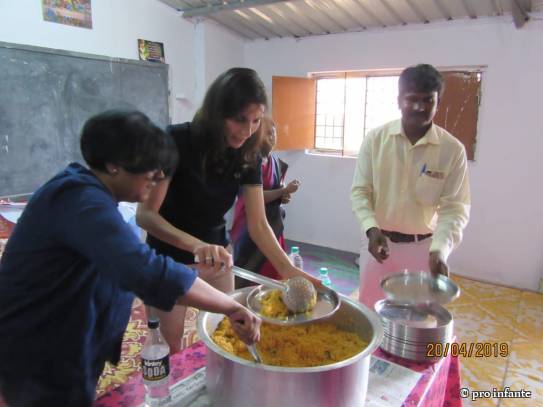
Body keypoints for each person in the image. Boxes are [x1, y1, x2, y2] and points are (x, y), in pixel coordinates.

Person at [0, 110, 260, 407]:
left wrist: (200, 280)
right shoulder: (79, 201)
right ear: (114, 165)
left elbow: (131, 266)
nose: (158, 178)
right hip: (39, 349)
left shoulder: (90, 196)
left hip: (67, 343)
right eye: (150, 169)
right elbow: (144, 270)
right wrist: (230, 306)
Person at [136, 67, 319, 353]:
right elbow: (146, 215)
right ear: (217, 112)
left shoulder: (249, 153)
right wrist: (196, 245)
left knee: (229, 338)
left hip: (218, 261)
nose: (247, 131)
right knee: (168, 346)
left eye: (256, 120)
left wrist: (288, 270)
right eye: (240, 119)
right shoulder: (175, 141)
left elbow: (259, 224)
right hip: (168, 262)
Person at [351, 64, 470, 309]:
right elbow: (361, 192)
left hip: (424, 251)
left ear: (438, 102)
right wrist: (371, 229)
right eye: (411, 99)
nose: (419, 107)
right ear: (398, 100)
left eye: (428, 100)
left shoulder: (452, 150)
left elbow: (455, 208)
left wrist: (440, 250)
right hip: (377, 246)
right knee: (371, 312)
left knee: (420, 318)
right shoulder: (375, 140)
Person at [230, 117, 300, 286]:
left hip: (273, 225)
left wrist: (284, 195)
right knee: (250, 271)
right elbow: (255, 198)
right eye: (267, 133)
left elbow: (277, 189)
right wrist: (283, 191)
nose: (272, 137)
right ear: (255, 135)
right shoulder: (251, 163)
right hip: (251, 225)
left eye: (274, 133)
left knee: (273, 269)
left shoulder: (275, 161)